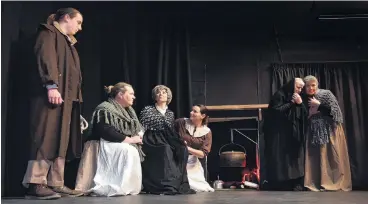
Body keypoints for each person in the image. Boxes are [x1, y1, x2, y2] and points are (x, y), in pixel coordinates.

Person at [22, 8, 84, 199]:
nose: (80, 28)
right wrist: (51, 85)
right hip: (51, 94)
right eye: (79, 22)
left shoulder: (68, 42)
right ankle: (35, 182)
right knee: (45, 137)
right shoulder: (48, 33)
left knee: (61, 140)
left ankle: (55, 182)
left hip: (67, 99)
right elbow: (46, 58)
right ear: (66, 18)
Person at [76, 82, 145, 197]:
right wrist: (131, 140)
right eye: (131, 94)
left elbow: (136, 128)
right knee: (127, 150)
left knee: (131, 150)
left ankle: (127, 186)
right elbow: (106, 131)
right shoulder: (105, 108)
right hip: (102, 142)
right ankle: (113, 184)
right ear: (120, 95)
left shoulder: (129, 111)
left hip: (118, 142)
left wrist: (139, 136)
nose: (134, 97)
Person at [139, 85, 195, 195]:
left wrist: (179, 141)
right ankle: (165, 185)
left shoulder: (170, 113)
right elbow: (142, 127)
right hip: (152, 137)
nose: (161, 94)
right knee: (165, 149)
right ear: (155, 96)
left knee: (182, 149)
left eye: (164, 92)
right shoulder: (147, 110)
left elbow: (171, 130)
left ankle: (179, 183)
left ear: (168, 96)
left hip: (168, 137)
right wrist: (139, 137)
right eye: (158, 92)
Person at [302, 75, 352, 192]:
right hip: (314, 132)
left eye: (313, 85)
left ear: (317, 85)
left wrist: (319, 105)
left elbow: (336, 112)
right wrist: (310, 114)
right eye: (308, 86)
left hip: (330, 130)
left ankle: (331, 182)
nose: (311, 88)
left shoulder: (326, 94)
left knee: (331, 157)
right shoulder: (304, 98)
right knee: (315, 158)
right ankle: (317, 182)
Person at [263, 78, 308, 191]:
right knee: (280, 159)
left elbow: (305, 114)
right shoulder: (280, 95)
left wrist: (300, 103)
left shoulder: (299, 97)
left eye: (301, 88)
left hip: (293, 134)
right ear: (292, 85)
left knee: (295, 160)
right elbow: (275, 112)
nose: (300, 90)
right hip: (279, 134)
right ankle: (280, 183)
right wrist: (291, 103)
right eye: (298, 87)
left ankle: (295, 183)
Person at [174, 104, 215, 192]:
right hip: (177, 160)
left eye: (195, 111)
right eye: (191, 110)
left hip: (193, 162)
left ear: (202, 116)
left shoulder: (206, 132)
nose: (191, 112)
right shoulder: (181, 122)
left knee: (198, 186)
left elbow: (203, 154)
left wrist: (187, 148)